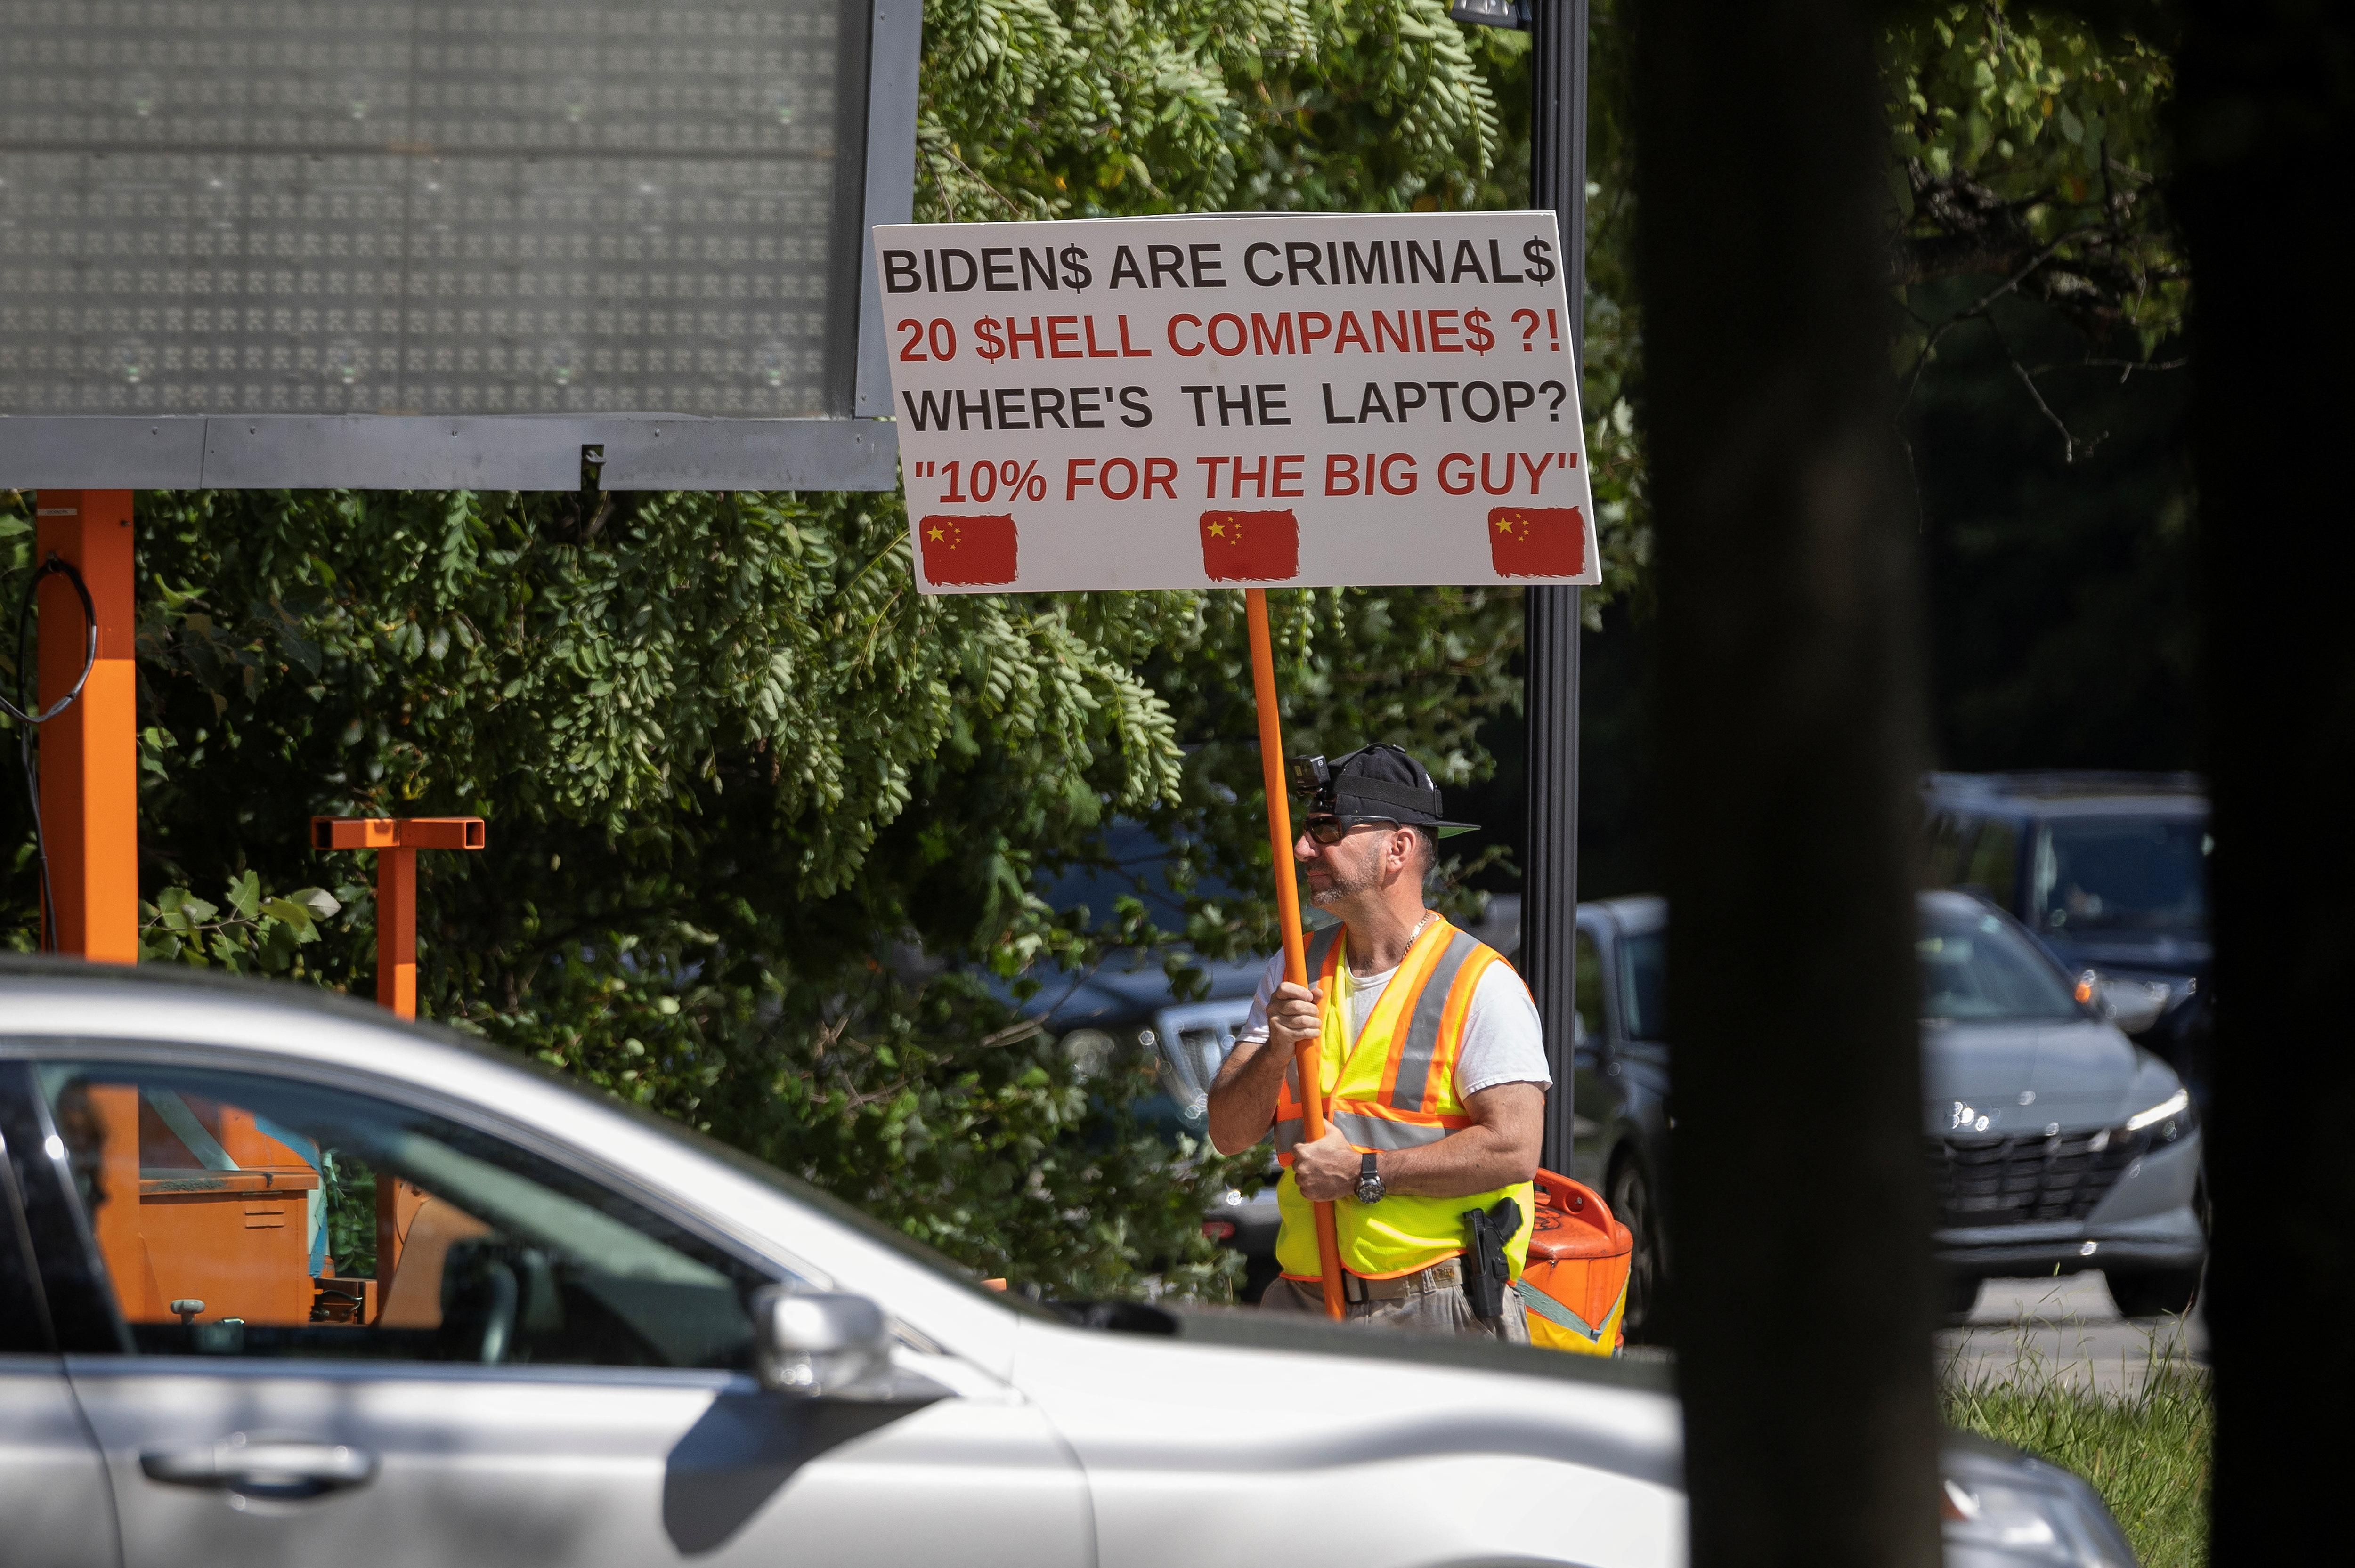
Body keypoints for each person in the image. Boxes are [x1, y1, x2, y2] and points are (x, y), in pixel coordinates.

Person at [1207, 744, 1549, 1340]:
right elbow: (1228, 1133)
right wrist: (1273, 1052)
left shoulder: (1479, 983)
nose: (1301, 848)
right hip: (1308, 1307)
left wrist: (1366, 1173)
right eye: (1308, 829)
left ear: (1397, 848)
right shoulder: (1293, 969)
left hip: (1436, 1309)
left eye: (1327, 830)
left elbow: (1514, 1150)